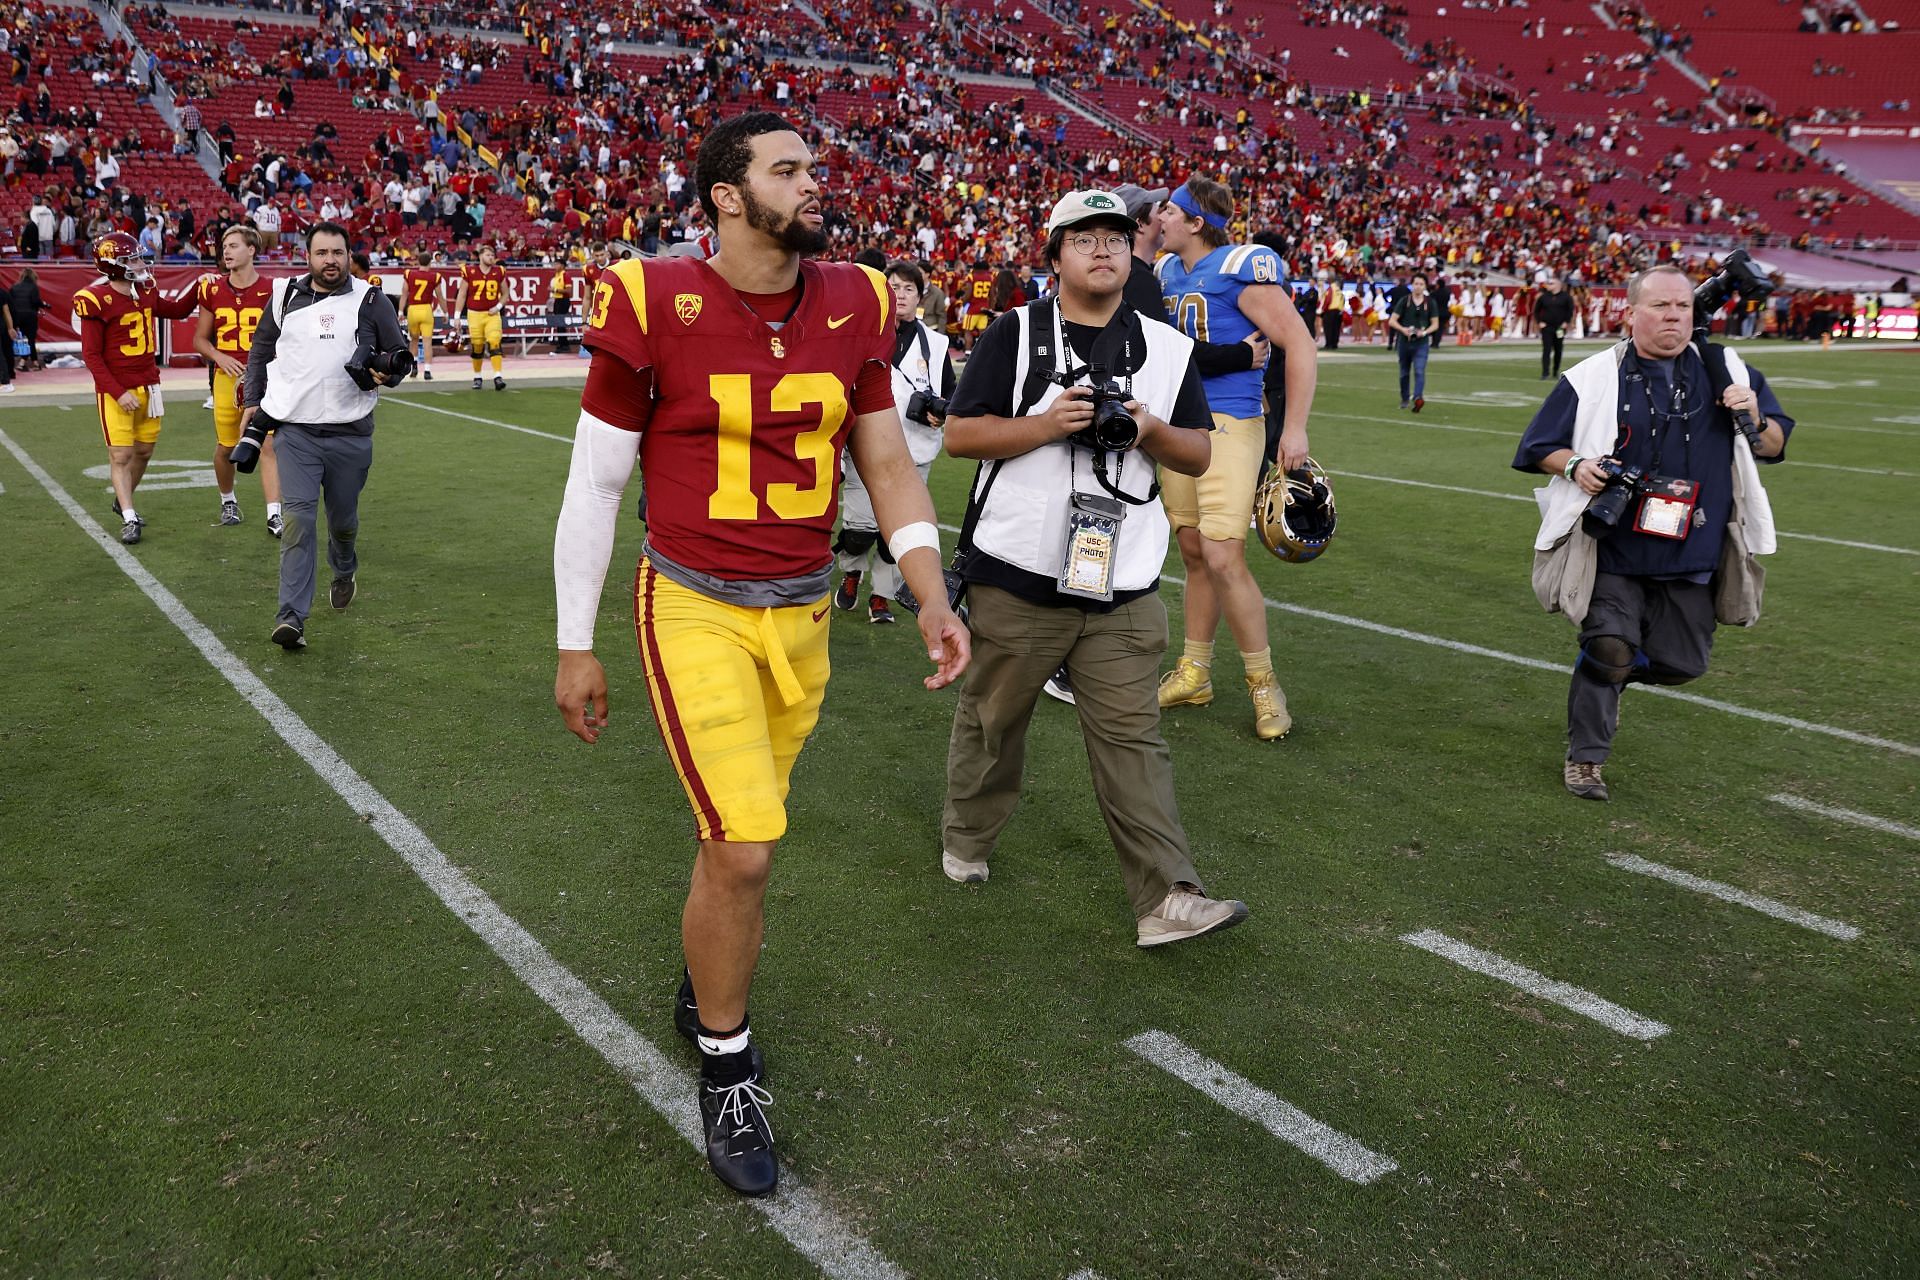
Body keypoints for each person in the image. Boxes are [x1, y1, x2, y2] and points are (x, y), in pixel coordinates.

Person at [550, 112, 968, 1199]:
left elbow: (886, 459)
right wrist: (572, 642)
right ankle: (727, 1063)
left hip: (807, 611)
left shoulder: (860, 298)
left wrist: (927, 590)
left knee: (740, 835)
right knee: (744, 846)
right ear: (727, 197)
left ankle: (704, 984)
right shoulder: (652, 296)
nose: (813, 182)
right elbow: (597, 483)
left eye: (815, 165)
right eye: (787, 169)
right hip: (692, 601)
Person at [939, 188, 1249, 948]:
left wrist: (1146, 428)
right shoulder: (1013, 333)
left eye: (1115, 235)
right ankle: (967, 835)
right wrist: (1046, 425)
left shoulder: (1167, 347)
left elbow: (1199, 450)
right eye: (1083, 237)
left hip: (1125, 579)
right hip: (1016, 572)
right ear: (1054, 257)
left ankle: (1167, 897)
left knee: (1134, 738)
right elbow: (959, 436)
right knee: (993, 723)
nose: (1104, 248)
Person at [1512, 264, 1793, 801]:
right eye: (1660, 306)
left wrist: (1755, 415)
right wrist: (1575, 467)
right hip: (1613, 544)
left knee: (1684, 665)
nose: (1673, 316)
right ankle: (1587, 759)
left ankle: (1605, 670)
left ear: (1696, 314)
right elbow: (1536, 446)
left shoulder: (1728, 368)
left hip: (1693, 548)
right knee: (1612, 644)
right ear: (1630, 313)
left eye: (1682, 307)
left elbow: (1774, 445)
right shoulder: (1592, 376)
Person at [1153, 178, 1317, 740]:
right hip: (1177, 426)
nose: (1161, 216)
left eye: (1171, 210)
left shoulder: (1238, 267)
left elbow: (1299, 342)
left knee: (1224, 557)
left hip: (1229, 423)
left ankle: (1264, 683)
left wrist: (1293, 428)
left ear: (1197, 222)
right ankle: (1195, 670)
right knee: (1194, 552)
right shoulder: (1166, 272)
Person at [241, 222, 411, 650]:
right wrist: (253, 402)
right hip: (295, 432)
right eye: (322, 253)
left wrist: (386, 374)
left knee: (343, 523)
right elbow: (261, 352)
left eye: (337, 253)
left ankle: (344, 565)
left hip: (351, 434)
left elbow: (398, 358)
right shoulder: (283, 296)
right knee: (298, 519)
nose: (330, 260)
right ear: (308, 255)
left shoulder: (370, 299)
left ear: (348, 255)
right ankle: (291, 617)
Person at [832, 260, 956, 624]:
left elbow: (951, 394)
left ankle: (881, 597)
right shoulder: (863, 331)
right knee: (860, 529)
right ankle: (851, 569)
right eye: (894, 287)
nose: (900, 295)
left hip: (915, 449)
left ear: (920, 296)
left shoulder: (935, 343)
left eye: (908, 289)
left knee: (898, 535)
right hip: (866, 447)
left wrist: (942, 411)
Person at [74, 231, 200, 545]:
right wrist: (117, 392)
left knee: (144, 451)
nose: (140, 263)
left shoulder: (143, 290)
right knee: (121, 455)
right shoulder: (95, 299)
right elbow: (91, 356)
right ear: (113, 264)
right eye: (132, 259)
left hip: (150, 385)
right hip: (117, 390)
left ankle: (123, 498)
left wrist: (200, 287)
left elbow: (177, 311)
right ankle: (130, 517)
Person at [191, 224, 282, 534]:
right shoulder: (212, 288)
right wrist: (219, 356)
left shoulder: (273, 289)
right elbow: (200, 340)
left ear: (252, 249)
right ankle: (228, 499)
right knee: (227, 447)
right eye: (224, 246)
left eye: (233, 245)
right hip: (227, 378)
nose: (225, 251)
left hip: (265, 377)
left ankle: (274, 514)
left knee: (268, 444)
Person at [454, 242, 508, 390]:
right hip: (474, 314)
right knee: (477, 346)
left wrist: (498, 306)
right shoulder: (469, 271)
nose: (491, 257)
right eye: (488, 255)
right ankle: (477, 376)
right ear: (480, 256)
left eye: (493, 255)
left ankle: (498, 376)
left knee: (494, 341)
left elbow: (505, 294)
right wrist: (457, 316)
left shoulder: (499, 271)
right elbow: (462, 294)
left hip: (492, 314)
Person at [1389, 273, 1442, 411]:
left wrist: (1423, 332)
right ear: (1412, 285)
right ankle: (1405, 398)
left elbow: (1435, 324)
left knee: (1419, 370)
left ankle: (1418, 397)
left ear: (1425, 286)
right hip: (1404, 342)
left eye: (1421, 284)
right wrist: (1403, 329)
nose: (1418, 287)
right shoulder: (1404, 301)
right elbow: (1392, 321)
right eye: (1416, 284)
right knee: (1404, 372)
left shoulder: (1430, 302)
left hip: (1421, 342)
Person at [400, 256, 441, 379]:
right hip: (426, 309)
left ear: (418, 261)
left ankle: (414, 367)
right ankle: (427, 371)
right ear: (430, 262)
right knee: (427, 342)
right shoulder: (434, 276)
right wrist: (445, 312)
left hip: (413, 309)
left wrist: (400, 311)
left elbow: (404, 294)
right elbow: (440, 296)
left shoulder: (409, 274)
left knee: (414, 341)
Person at [1536, 274, 1575, 380]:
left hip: (1559, 328)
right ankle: (1545, 372)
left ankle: (1555, 371)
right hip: (1547, 327)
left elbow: (1570, 310)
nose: (1548, 285)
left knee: (1558, 349)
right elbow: (1536, 310)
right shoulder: (1544, 297)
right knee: (1546, 349)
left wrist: (1566, 322)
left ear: (1558, 285)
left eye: (1551, 283)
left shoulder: (1566, 297)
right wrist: (1540, 322)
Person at [9, 267, 48, 370]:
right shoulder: (33, 287)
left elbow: (10, 303)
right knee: (30, 340)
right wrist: (43, 305)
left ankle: (25, 362)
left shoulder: (14, 287)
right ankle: (32, 363)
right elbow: (35, 301)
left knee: (21, 340)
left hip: (17, 317)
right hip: (30, 316)